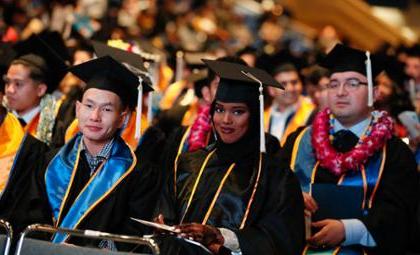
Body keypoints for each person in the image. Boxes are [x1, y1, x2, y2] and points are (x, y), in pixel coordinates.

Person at [9, 56, 159, 250]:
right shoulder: (48, 162)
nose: (95, 117)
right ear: (78, 109)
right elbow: (28, 220)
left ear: (123, 118)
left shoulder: (140, 174)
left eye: (106, 109)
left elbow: (133, 238)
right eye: (89, 106)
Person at [156, 59, 305, 255]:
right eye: (219, 109)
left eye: (238, 111)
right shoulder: (188, 163)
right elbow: (164, 216)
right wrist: (162, 226)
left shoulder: (276, 177)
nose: (226, 120)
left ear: (253, 117)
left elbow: (283, 241)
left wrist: (223, 237)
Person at [281, 43, 418, 254]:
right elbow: (271, 189)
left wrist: (350, 230)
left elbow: (401, 215)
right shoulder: (299, 140)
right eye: (333, 84)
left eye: (353, 84)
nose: (341, 92)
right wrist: (291, 196)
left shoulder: (394, 152)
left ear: (375, 92)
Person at [4, 31, 68, 144]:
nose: (9, 90)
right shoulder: (2, 119)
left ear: (40, 90)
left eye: (18, 84)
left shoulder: (55, 131)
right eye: (7, 82)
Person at [266, 63, 315, 146]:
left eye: (294, 82)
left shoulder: (312, 112)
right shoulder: (262, 113)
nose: (290, 89)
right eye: (283, 84)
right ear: (271, 89)